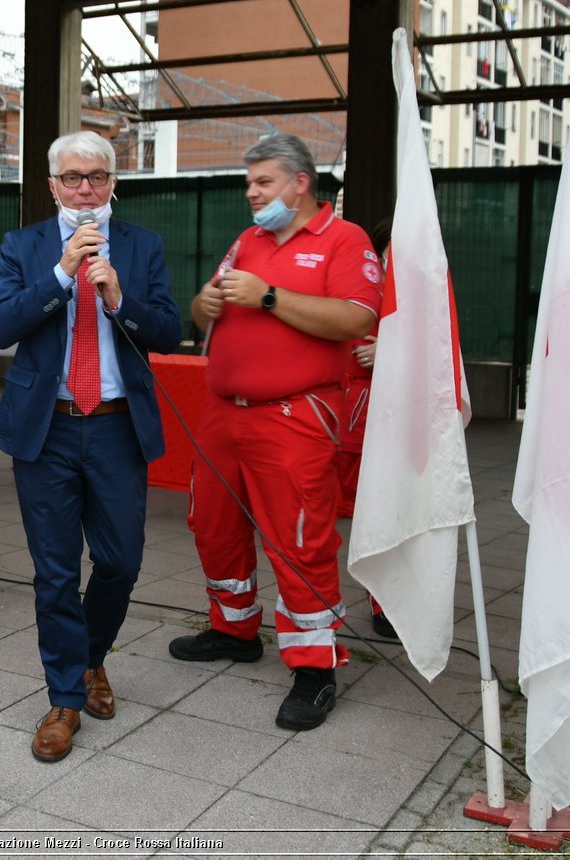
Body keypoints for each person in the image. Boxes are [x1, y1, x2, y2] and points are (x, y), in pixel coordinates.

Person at [171, 133, 379, 733]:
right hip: (222, 412)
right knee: (212, 523)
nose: (252, 193)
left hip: (293, 414)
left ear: (300, 182)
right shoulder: (249, 240)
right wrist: (205, 303)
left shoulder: (344, 239)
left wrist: (268, 296)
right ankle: (233, 630)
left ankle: (315, 668)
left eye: (262, 182)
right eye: (249, 183)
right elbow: (201, 309)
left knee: (299, 538)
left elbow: (357, 317)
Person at [0, 131, 181, 762]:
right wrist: (63, 273)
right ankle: (65, 697)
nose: (85, 189)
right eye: (72, 178)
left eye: (96, 177)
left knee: (121, 561)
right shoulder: (25, 246)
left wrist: (120, 298)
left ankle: (92, 657)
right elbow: (0, 328)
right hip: (49, 427)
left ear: (113, 183)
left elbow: (170, 333)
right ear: (52, 185)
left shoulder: (142, 246)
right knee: (55, 572)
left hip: (118, 424)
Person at [334, 219, 396, 640]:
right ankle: (313, 602)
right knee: (325, 510)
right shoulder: (359, 278)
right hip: (349, 413)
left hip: (394, 415)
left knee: (386, 513)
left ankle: (386, 601)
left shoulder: (425, 288)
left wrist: (392, 349)